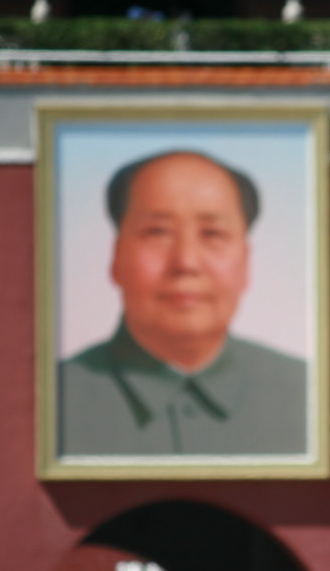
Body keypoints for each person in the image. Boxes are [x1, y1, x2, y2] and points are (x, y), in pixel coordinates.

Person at [58, 150, 307, 456]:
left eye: (213, 233)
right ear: (116, 257)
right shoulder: (52, 401)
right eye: (158, 232)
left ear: (246, 263)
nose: (186, 262)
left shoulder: (308, 397)